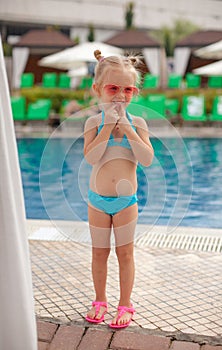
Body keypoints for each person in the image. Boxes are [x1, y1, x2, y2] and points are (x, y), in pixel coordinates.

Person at [83, 49, 154, 328]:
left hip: (126, 202)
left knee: (125, 254)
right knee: (99, 253)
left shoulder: (138, 123)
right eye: (113, 88)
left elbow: (146, 159)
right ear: (97, 89)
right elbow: (91, 157)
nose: (120, 96)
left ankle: (125, 304)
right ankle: (100, 299)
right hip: (97, 201)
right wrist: (106, 128)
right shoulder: (92, 123)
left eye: (128, 90)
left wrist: (126, 126)